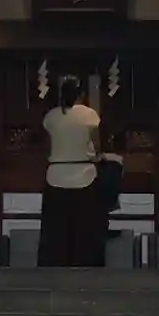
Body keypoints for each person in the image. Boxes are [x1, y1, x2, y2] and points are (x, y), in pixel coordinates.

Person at [39, 75, 106, 267]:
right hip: (84, 175)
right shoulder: (89, 115)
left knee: (56, 231)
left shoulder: (52, 116)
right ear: (81, 95)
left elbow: (48, 146)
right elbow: (97, 145)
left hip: (56, 175)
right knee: (85, 230)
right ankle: (86, 264)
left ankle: (55, 264)